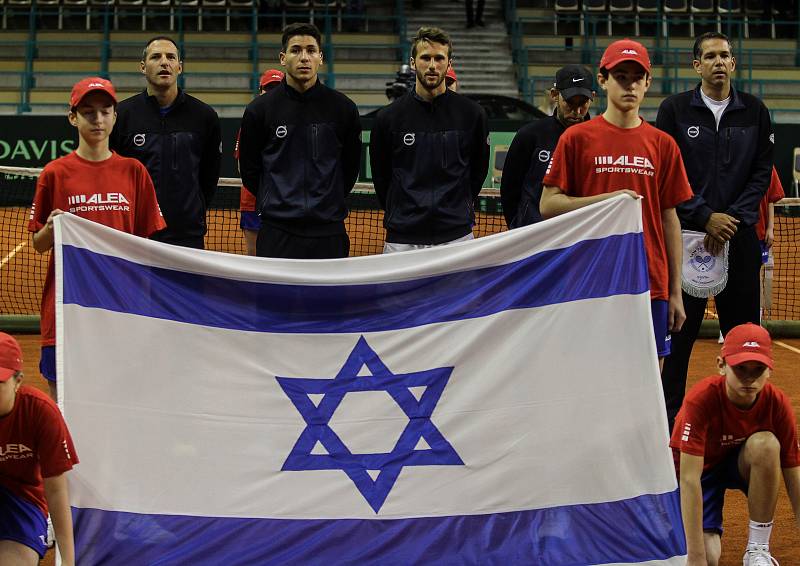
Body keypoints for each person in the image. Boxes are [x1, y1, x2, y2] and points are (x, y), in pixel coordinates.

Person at [540, 39, 693, 363]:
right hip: (589, 279)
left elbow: (669, 218)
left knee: (650, 377)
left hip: (649, 283)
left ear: (648, 83)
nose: (629, 84)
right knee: (590, 374)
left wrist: (675, 291)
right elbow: (548, 204)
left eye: (637, 77)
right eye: (620, 76)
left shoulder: (663, 145)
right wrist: (608, 201)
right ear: (603, 80)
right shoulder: (576, 139)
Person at [656, 32, 774, 430]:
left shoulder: (756, 112)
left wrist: (732, 219)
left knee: (744, 336)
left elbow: (761, 174)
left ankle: (744, 422)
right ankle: (667, 423)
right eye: (710, 56)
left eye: (725, 55)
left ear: (734, 63)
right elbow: (668, 175)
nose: (719, 61)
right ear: (697, 65)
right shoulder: (674, 110)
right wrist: (705, 215)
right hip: (687, 237)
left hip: (739, 238)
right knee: (679, 336)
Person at [28, 77, 166, 401]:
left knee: (120, 395)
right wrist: (51, 227)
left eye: (105, 111)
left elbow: (146, 245)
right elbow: (38, 243)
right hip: (67, 303)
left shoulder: (134, 171)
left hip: (120, 304)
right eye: (88, 112)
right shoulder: (54, 173)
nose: (98, 119)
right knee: (64, 394)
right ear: (72, 117)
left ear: (115, 116)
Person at [671, 323, 800, 566]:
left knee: (767, 445)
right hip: (702, 474)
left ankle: (757, 549)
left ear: (769, 371)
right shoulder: (701, 400)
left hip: (739, 462)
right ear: (721, 365)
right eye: (740, 369)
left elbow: (794, 475)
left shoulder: (777, 403)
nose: (749, 379)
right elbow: (689, 479)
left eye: (758, 369)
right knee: (708, 557)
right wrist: (696, 557)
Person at [238, 23, 362, 259]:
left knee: (330, 295)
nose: (304, 57)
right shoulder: (259, 110)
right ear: (283, 58)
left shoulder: (343, 109)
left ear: (320, 58)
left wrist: (327, 200)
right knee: (275, 297)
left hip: (329, 231)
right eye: (296, 50)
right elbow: (251, 171)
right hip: (277, 231)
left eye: (311, 50)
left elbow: (349, 168)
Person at [369, 27, 489, 254]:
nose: (432, 65)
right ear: (413, 63)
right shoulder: (388, 118)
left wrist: (456, 208)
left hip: (456, 236)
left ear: (449, 63)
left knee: (458, 292)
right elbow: (381, 176)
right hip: (402, 237)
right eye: (425, 58)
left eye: (439, 58)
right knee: (399, 292)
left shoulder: (472, 114)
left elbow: (478, 171)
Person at [110, 35, 222, 250]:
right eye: (156, 57)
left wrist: (192, 210)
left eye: (171, 57)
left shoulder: (204, 116)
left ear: (179, 67)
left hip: (187, 236)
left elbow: (209, 176)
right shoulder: (121, 115)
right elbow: (113, 176)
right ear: (143, 67)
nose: (164, 62)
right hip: (136, 234)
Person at [0, 332, 79, 566]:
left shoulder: (40, 412)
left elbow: (56, 490)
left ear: (18, 381)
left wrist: (68, 561)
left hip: (21, 499)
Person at [500, 64, 594, 228]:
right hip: (533, 235)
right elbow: (510, 188)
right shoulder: (530, 135)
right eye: (570, 103)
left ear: (592, 97)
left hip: (580, 235)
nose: (577, 111)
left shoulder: (598, 139)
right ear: (554, 95)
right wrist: (517, 226)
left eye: (583, 103)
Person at [236, 68, 284, 256]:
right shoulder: (251, 122)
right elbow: (243, 167)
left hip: (284, 202)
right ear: (260, 91)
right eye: (268, 88)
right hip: (253, 201)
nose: (272, 93)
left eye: (277, 88)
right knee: (254, 256)